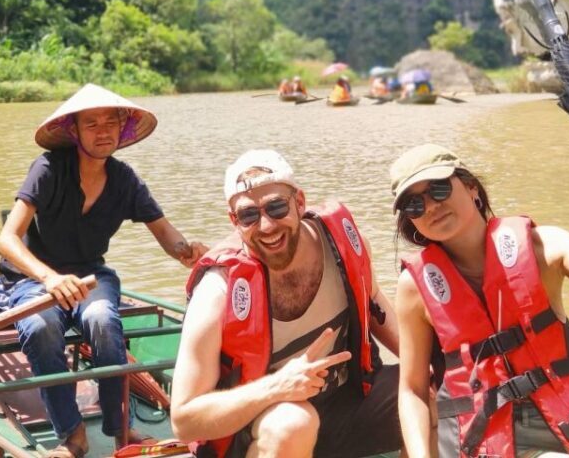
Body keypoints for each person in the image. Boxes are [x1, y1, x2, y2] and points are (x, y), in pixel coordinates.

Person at [390, 142, 569, 458]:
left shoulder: (543, 247)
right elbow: (412, 390)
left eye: (438, 190)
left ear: (471, 187)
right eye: (414, 205)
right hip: (497, 447)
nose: (429, 206)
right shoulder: (413, 287)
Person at [0, 83, 208, 458]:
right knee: (41, 327)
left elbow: (164, 231)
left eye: (111, 122)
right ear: (74, 131)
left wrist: (187, 251)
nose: (103, 130)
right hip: (35, 278)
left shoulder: (124, 179)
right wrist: (49, 278)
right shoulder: (48, 169)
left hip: (92, 275)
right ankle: (72, 434)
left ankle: (119, 427)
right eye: (91, 123)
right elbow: (7, 240)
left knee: (102, 320)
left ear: (123, 128)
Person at [171, 150, 402, 458]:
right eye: (249, 215)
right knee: (294, 423)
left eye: (277, 207)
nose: (266, 226)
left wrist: (433, 361)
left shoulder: (341, 244)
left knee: (428, 386)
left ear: (300, 202)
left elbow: (373, 301)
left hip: (345, 406)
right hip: (264, 430)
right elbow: (184, 420)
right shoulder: (218, 291)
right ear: (234, 221)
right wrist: (278, 386)